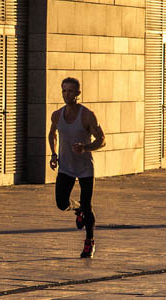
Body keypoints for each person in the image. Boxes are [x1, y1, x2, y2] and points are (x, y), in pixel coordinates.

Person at [48, 77, 106, 258]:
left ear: (78, 94)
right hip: (65, 166)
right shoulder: (57, 114)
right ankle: (77, 208)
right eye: (64, 90)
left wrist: (85, 148)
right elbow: (52, 134)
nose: (66, 94)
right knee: (61, 203)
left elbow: (102, 140)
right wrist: (53, 154)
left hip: (85, 168)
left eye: (70, 91)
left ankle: (89, 242)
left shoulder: (88, 115)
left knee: (88, 208)